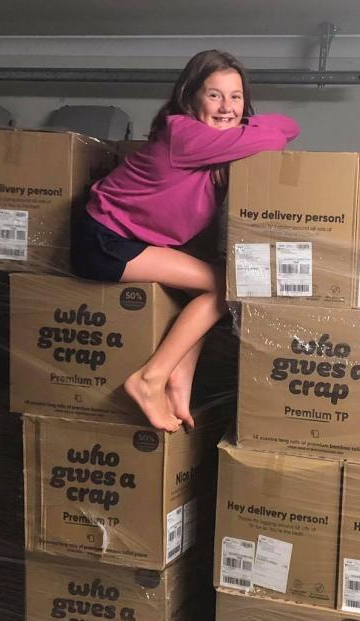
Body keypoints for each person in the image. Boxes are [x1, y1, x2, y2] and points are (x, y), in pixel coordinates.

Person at [72, 50, 300, 432]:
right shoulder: (184, 134)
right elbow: (277, 136)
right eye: (214, 95)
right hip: (104, 240)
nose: (227, 107)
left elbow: (288, 125)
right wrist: (250, 129)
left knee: (210, 288)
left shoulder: (215, 143)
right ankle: (150, 379)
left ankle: (179, 381)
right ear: (190, 96)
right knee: (224, 284)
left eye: (236, 96)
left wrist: (245, 125)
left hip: (131, 240)